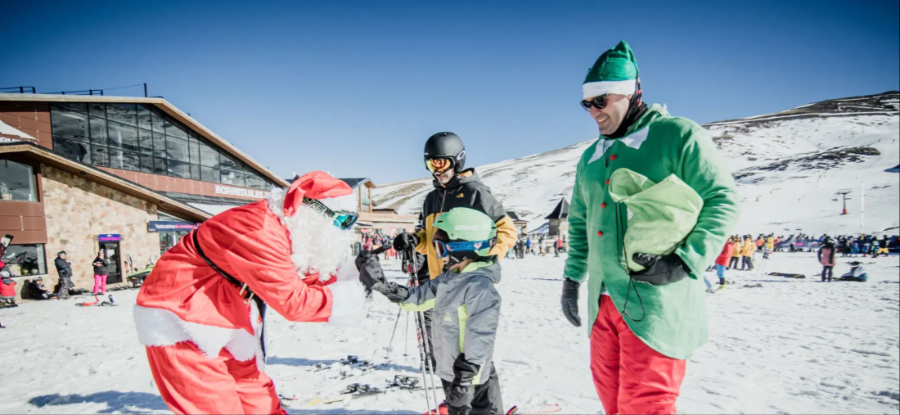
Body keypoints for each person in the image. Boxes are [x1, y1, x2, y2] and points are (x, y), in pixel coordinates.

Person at [560, 40, 739, 415]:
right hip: (603, 302)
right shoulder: (591, 157)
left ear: (630, 94)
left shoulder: (677, 135)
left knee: (647, 404)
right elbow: (578, 222)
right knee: (612, 402)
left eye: (601, 101)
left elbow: (722, 200)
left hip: (656, 298)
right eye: (586, 104)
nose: (593, 111)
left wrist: (686, 261)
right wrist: (572, 279)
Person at [133, 171, 366, 415]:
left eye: (351, 221)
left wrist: (353, 274)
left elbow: (300, 275)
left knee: (256, 393)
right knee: (213, 404)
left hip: (229, 308)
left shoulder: (286, 227)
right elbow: (293, 301)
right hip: (182, 312)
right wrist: (353, 293)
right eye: (342, 220)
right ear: (311, 210)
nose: (345, 230)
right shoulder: (259, 230)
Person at [392, 132, 517, 368]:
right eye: (431, 163)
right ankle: (455, 401)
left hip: (468, 283)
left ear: (457, 160)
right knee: (447, 350)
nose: (436, 170)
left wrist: (482, 258)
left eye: (441, 162)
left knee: (472, 354)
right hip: (439, 283)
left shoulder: (476, 193)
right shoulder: (431, 198)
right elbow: (430, 239)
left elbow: (508, 231)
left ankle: (486, 405)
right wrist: (413, 240)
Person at [366, 208, 503, 415]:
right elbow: (419, 297)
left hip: (469, 378)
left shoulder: (479, 286)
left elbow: (481, 336)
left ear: (462, 247)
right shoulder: (450, 277)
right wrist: (382, 284)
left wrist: (464, 380)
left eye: (440, 247)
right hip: (450, 370)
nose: (440, 256)